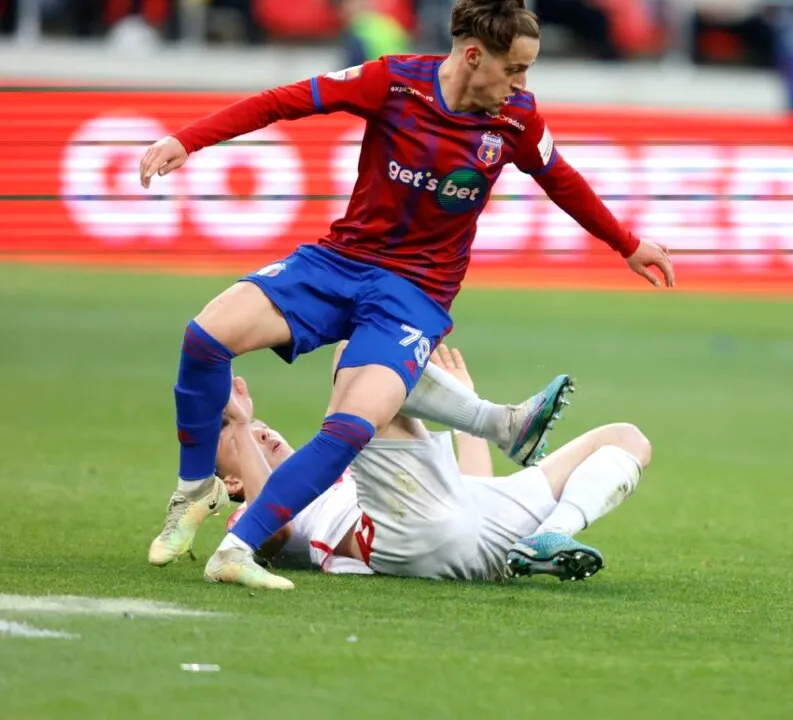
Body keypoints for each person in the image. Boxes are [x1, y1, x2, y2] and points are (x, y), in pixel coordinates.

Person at [138, 0, 676, 589]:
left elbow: (563, 180)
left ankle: (236, 550)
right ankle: (193, 491)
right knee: (205, 338)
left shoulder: (517, 121)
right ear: (474, 56)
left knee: (351, 425)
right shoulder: (393, 81)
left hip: (414, 295)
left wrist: (626, 243)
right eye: (514, 69)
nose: (522, 85)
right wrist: (188, 140)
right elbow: (283, 102)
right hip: (339, 261)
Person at [212, 342, 650, 583]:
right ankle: (496, 420)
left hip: (476, 537)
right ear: (233, 482)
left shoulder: (339, 458)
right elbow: (275, 532)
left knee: (625, 439)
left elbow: (464, 495)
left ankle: (550, 536)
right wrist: (238, 419)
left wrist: (460, 417)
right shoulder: (249, 517)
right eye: (238, 439)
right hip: (397, 537)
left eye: (259, 424)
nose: (260, 432)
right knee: (355, 353)